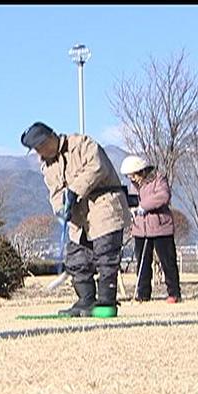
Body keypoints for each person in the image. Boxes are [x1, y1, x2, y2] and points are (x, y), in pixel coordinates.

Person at [21, 121, 131, 318]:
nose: (39, 155)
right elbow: (55, 192)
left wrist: (74, 190)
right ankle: (86, 299)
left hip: (104, 206)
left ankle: (106, 300)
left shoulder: (82, 145)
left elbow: (97, 167)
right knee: (77, 259)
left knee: (106, 255)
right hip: (78, 217)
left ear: (49, 140)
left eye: (39, 148)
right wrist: (60, 210)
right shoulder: (47, 167)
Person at [120, 155, 182, 303]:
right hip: (141, 228)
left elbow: (163, 196)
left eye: (133, 175)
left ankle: (174, 293)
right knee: (142, 263)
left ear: (140, 171)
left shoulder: (159, 179)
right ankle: (143, 294)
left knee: (168, 261)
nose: (131, 179)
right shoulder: (133, 185)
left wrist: (143, 206)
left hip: (161, 227)